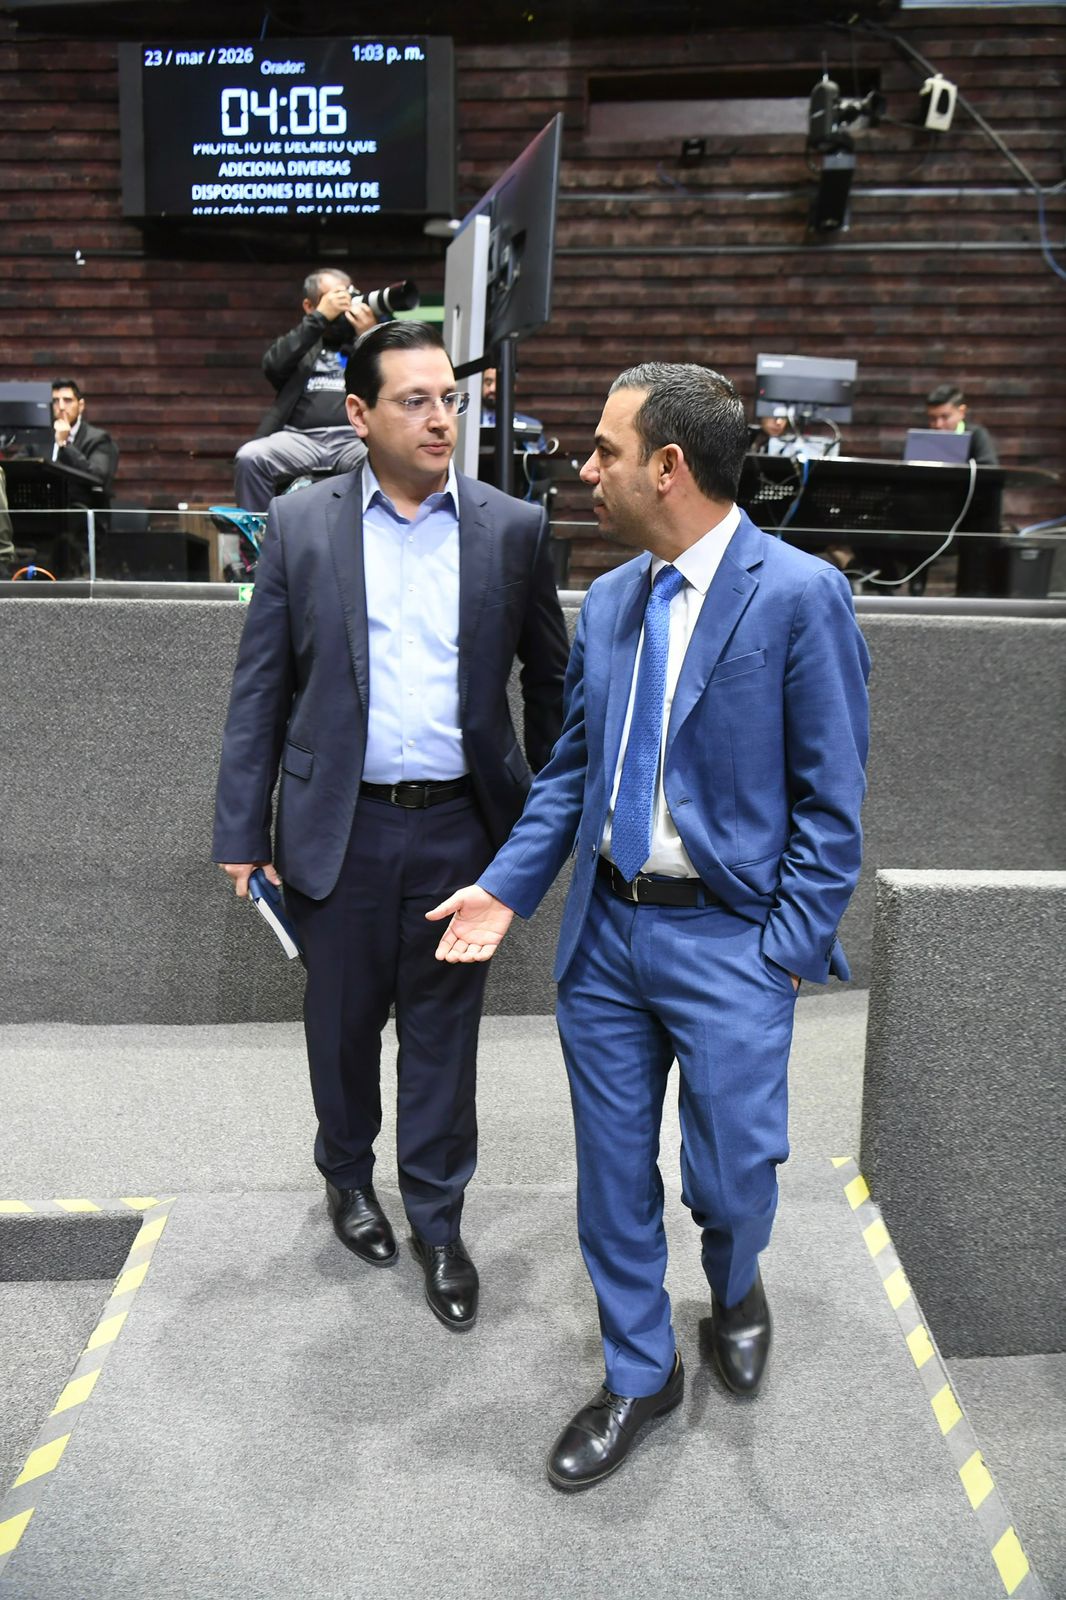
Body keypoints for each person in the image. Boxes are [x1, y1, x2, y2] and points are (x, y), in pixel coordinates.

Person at [428, 362, 870, 1488]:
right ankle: (640, 1371)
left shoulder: (800, 595)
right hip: (607, 941)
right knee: (612, 1175)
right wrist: (506, 886)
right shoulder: (615, 598)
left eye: (605, 451)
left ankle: (735, 1282)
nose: (586, 469)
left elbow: (832, 806)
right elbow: (574, 773)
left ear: (667, 466)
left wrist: (779, 955)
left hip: (732, 943)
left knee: (732, 1177)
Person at [213, 320, 569, 1332]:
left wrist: (548, 818)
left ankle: (439, 1221)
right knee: (340, 1025)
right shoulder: (301, 523)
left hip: (463, 830)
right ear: (360, 415)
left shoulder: (512, 527)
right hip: (340, 826)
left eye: (450, 399)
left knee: (444, 1036)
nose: (440, 417)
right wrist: (241, 828)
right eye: (415, 401)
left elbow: (552, 683)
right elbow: (261, 687)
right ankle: (346, 1175)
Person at [233, 269, 378, 512]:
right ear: (310, 306)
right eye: (333, 297)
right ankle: (259, 535)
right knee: (251, 457)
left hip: (354, 439)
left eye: (347, 295)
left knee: (388, 461)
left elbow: (392, 378)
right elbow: (273, 365)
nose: (342, 304)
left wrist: (370, 335)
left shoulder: (363, 343)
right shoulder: (303, 343)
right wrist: (319, 318)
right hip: (300, 439)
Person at [51, 379, 119, 492]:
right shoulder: (39, 437)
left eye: (67, 400)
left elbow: (98, 476)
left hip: (80, 501)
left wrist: (64, 444)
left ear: (81, 405)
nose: (61, 407)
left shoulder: (98, 439)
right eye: (55, 401)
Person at [925, 382, 998, 465]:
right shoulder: (922, 437)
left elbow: (989, 467)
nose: (938, 424)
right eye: (932, 418)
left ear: (962, 412)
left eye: (945, 417)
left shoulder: (976, 435)